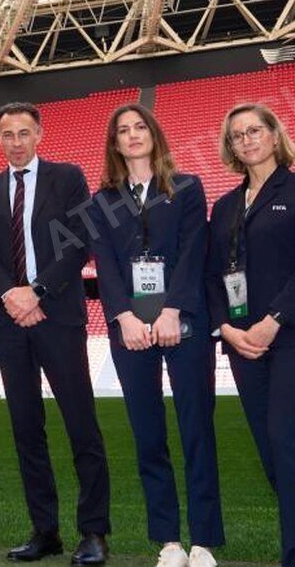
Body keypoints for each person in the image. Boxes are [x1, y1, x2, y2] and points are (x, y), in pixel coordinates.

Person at [0, 102, 111, 564]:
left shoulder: (67, 178)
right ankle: (45, 530)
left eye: (23, 133)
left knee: (80, 424)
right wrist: (12, 296)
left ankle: (93, 531)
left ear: (39, 135)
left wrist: (36, 291)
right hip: (10, 322)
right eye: (7, 134)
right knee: (26, 428)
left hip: (57, 316)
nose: (15, 142)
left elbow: (80, 241)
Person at [89, 105, 222, 567]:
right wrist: (124, 316)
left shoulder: (187, 186)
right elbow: (105, 264)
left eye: (140, 127)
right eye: (123, 131)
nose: (132, 135)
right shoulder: (101, 201)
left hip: (183, 322)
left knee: (197, 429)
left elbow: (193, 251)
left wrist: (172, 310)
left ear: (154, 134)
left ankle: (203, 541)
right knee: (148, 435)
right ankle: (168, 541)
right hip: (129, 328)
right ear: (114, 143)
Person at [206, 102, 295, 567]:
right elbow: (211, 276)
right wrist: (225, 327)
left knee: (285, 441)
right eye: (237, 135)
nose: (247, 140)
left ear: (275, 135)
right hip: (242, 345)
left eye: (255, 130)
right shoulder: (224, 207)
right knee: (271, 451)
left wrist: (274, 318)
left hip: (288, 336)